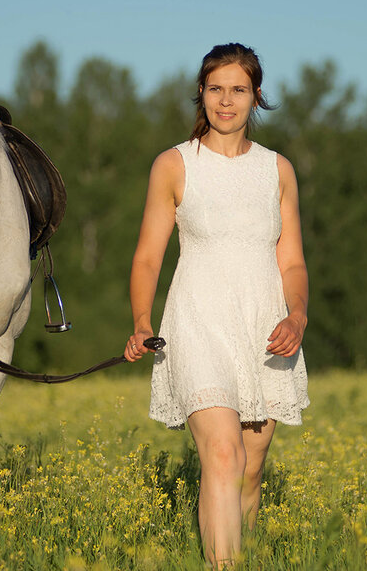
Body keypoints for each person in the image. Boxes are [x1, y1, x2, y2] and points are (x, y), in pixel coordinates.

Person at [124, 43, 309, 566]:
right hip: (197, 322)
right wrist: (141, 321)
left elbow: (293, 264)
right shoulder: (175, 165)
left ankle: (238, 557)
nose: (225, 101)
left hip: (266, 328)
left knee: (251, 466)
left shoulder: (278, 171)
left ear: (256, 97)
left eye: (238, 90)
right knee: (223, 454)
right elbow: (146, 259)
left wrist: (297, 316)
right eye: (215, 89)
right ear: (200, 94)